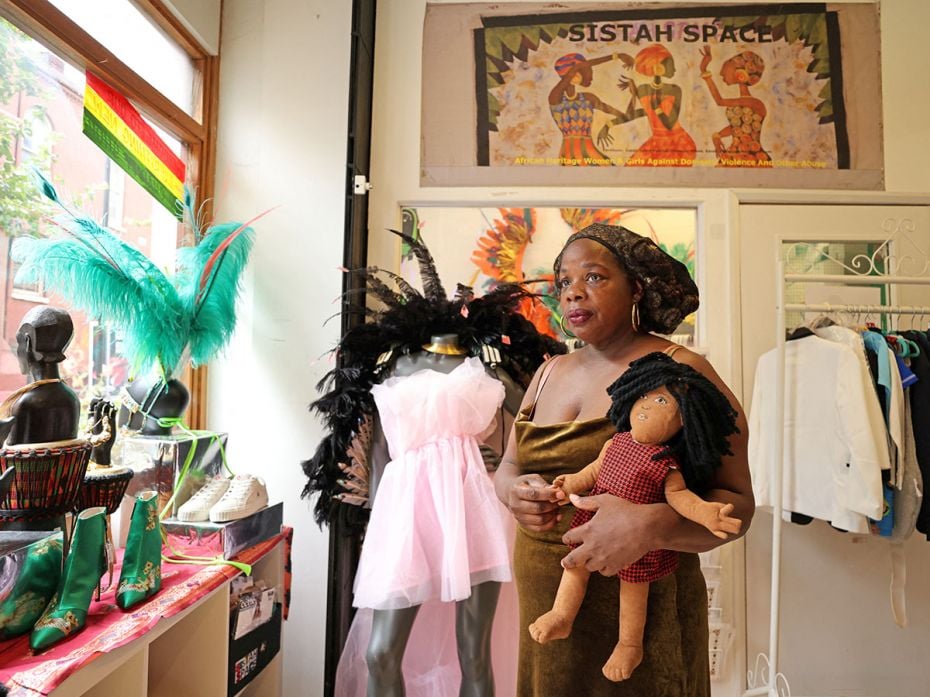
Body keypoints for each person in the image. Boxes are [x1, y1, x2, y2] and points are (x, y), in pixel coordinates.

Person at [494, 223, 753, 696]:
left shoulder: (681, 372)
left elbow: (738, 505)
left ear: (636, 286)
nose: (574, 293)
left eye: (593, 277)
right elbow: (508, 466)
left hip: (641, 630)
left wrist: (653, 524)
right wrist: (514, 493)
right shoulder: (548, 371)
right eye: (564, 283)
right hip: (548, 618)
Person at [596, 45, 697, 167]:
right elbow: (634, 114)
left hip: (678, 143)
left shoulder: (675, 90)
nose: (674, 69)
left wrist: (656, 107)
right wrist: (609, 124)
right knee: (629, 170)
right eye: (670, 64)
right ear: (658, 68)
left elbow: (670, 124)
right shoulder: (643, 90)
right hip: (656, 143)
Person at [1, 306, 80, 445]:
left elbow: (13, 461)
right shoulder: (72, 399)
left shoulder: (26, 403)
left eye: (18, 342)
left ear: (27, 344)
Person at [548, 52, 630, 166]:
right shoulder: (555, 98)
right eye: (587, 71)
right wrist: (615, 56)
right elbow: (576, 68)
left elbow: (620, 114)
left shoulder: (588, 99)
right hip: (570, 155)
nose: (590, 76)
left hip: (590, 151)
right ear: (575, 75)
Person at [699, 47, 770, 166]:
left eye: (726, 67)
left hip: (752, 156)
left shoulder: (756, 103)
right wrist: (717, 137)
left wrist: (704, 70)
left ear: (740, 73)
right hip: (732, 154)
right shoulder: (747, 102)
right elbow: (738, 128)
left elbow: (719, 101)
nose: (722, 73)